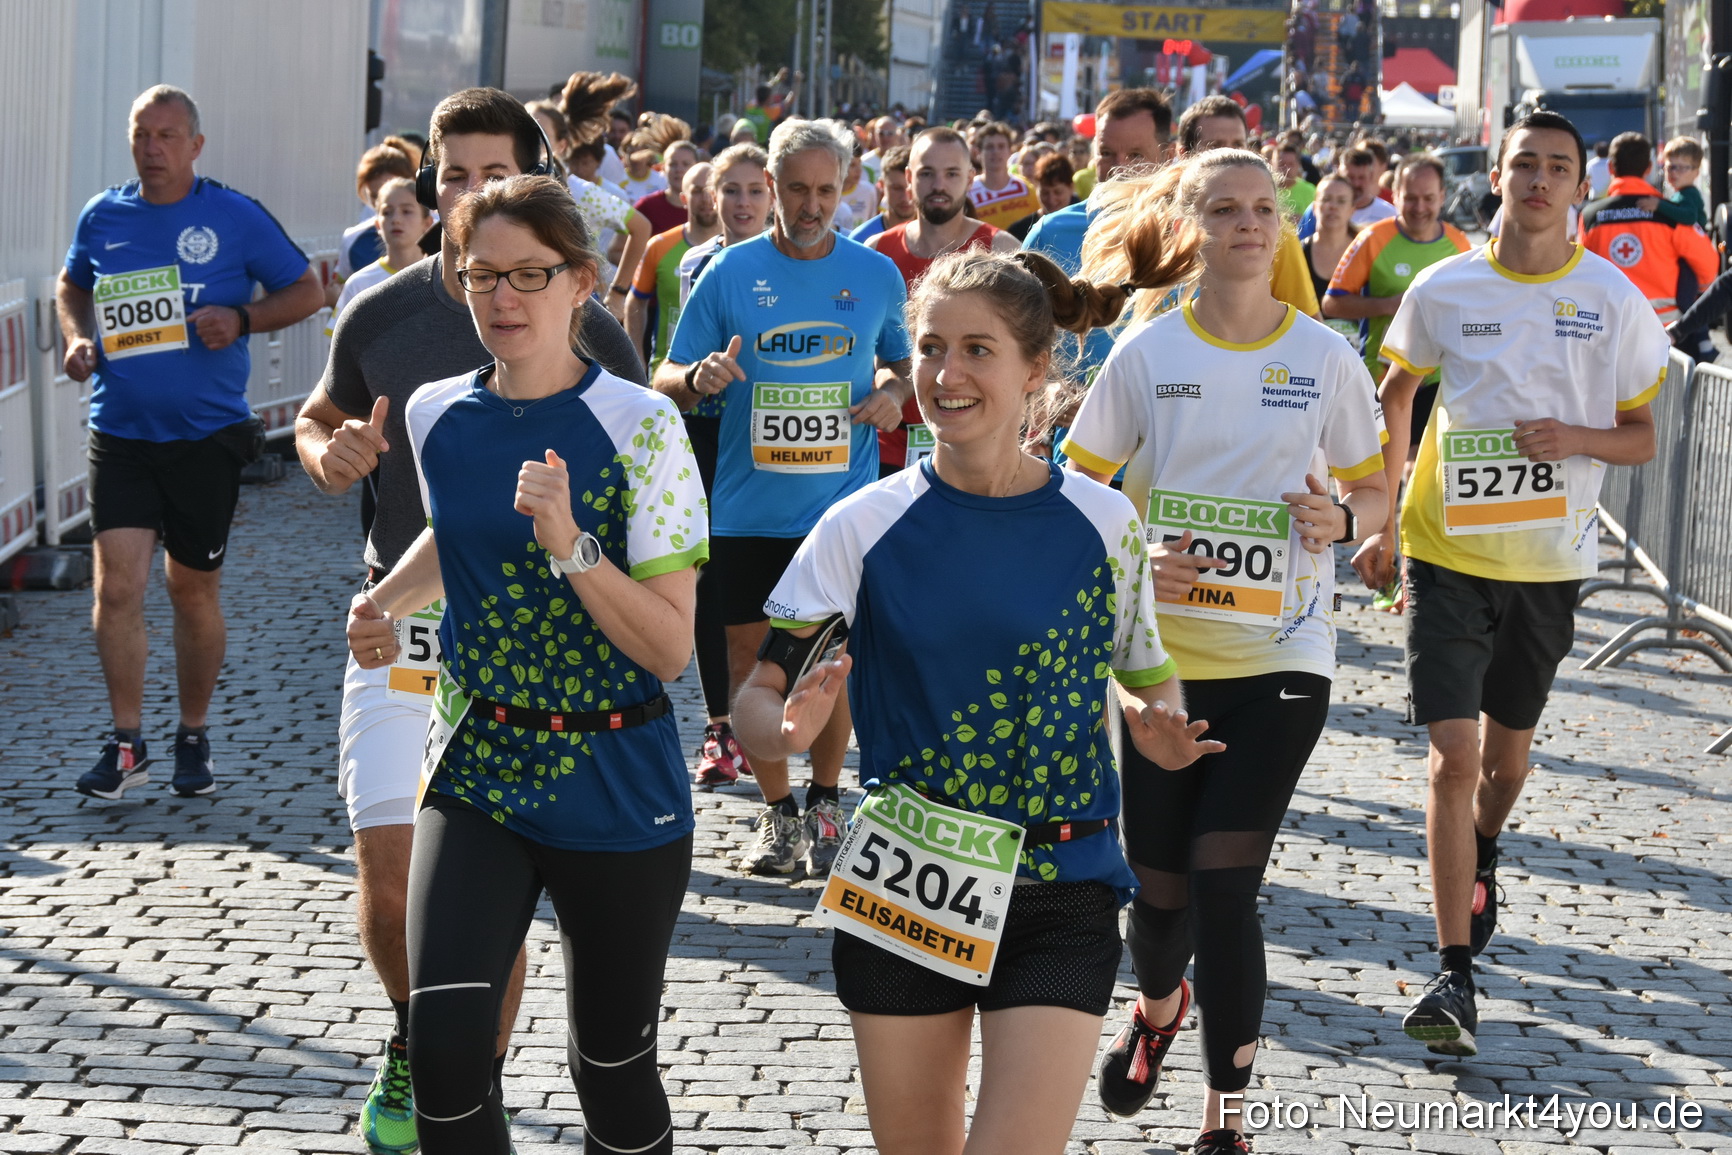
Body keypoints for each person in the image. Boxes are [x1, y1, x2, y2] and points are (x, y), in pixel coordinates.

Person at [733, 248, 1222, 1155]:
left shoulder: (1104, 522)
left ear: (1036, 368)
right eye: (929, 348)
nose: (946, 374)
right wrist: (787, 731)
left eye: (977, 350)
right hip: (910, 879)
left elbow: (1143, 670)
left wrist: (1155, 728)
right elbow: (758, 694)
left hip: (1063, 878)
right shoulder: (861, 525)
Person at [294, 86, 648, 1155]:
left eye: (494, 174)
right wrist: (330, 456)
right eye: (452, 176)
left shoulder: (590, 333)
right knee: (387, 865)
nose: (470, 194)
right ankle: (420, 1037)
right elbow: (318, 415)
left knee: (481, 885)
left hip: (528, 643)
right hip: (400, 619)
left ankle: (467, 1082)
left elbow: (634, 490)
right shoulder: (383, 308)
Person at [347, 173, 703, 1155]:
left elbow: (670, 648)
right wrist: (384, 603)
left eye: (529, 274)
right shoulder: (434, 412)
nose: (502, 298)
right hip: (480, 767)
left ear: (581, 280)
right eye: (481, 275)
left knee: (611, 1070)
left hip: (615, 777)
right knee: (445, 1060)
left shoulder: (642, 424)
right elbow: (457, 536)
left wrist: (574, 547)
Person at [1058, 148, 1388, 1153]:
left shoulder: (1324, 357)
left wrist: (1344, 518)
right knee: (1158, 900)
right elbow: (1078, 489)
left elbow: (1374, 490)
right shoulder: (1147, 354)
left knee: (1223, 883)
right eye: (1226, 210)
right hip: (1160, 665)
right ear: (1189, 227)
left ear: (1283, 226)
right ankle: (1159, 1008)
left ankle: (1224, 1123)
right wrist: (1134, 553)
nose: (1249, 224)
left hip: (1284, 658)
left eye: (1264, 209)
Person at [1367, 111, 1668, 1057]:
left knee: (1505, 767)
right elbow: (1398, 391)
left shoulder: (1612, 297)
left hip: (1548, 564)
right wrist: (1381, 511)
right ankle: (1453, 972)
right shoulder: (1445, 285)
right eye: (1524, 164)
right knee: (1453, 757)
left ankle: (1485, 845)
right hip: (1446, 550)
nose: (1540, 179)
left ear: (1582, 186)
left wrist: (1575, 438)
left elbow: (1642, 435)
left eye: (1558, 167)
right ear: (1496, 176)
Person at [651, 118, 914, 877]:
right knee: (748, 660)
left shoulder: (875, 275)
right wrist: (696, 377)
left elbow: (902, 366)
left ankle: (827, 804)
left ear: (847, 187)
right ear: (770, 186)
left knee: (833, 664)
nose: (812, 206)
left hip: (840, 511)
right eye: (797, 189)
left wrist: (892, 393)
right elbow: (664, 377)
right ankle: (778, 813)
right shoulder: (729, 272)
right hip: (747, 510)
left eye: (826, 190)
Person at [61, 84, 322, 801]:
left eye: (167, 136)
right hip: (120, 430)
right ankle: (126, 742)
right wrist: (78, 337)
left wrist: (242, 318)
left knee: (191, 588)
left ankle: (194, 733)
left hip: (206, 437)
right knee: (118, 586)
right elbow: (71, 285)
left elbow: (306, 290)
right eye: (141, 135)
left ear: (196, 145)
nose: (152, 149)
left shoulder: (233, 215)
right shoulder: (103, 214)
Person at [869, 127, 1021, 476]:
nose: (939, 185)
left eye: (952, 174)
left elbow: (1020, 351)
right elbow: (866, 350)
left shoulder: (1001, 250)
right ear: (909, 178)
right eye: (927, 173)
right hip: (888, 442)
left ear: (970, 178)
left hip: (974, 445)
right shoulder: (877, 252)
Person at [1323, 154, 1471, 440]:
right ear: (1396, 195)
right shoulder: (1372, 238)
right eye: (1411, 198)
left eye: (1428, 198)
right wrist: (1392, 305)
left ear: (1442, 196)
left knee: (1423, 460)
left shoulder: (1459, 244)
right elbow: (1332, 303)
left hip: (1438, 378)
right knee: (1385, 460)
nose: (1419, 207)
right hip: (1381, 376)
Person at [1171, 97, 1321, 320]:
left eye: (1238, 145)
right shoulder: (1150, 228)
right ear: (1184, 154)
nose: (1230, 156)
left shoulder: (1273, 232)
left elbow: (1308, 325)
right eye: (1215, 147)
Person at [1579, 132, 1717, 325]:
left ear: (1610, 167)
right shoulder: (1670, 213)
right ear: (1649, 168)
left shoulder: (1590, 216)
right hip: (1665, 325)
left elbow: (1581, 269)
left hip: (1610, 324)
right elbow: (1708, 265)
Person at [628, 162, 721, 374]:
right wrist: (636, 358)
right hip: (667, 372)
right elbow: (636, 301)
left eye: (711, 191)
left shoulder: (738, 249)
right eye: (697, 191)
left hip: (721, 372)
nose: (706, 199)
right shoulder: (659, 246)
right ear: (683, 199)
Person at [326, 176, 433, 336]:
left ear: (427, 223)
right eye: (387, 212)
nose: (396, 220)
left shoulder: (442, 278)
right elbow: (339, 343)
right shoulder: (358, 283)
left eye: (406, 211)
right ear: (377, 225)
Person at [332, 140, 420, 306]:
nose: (384, 201)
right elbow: (339, 289)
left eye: (393, 190)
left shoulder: (441, 231)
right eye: (375, 196)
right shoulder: (353, 239)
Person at [1303, 172, 1360, 348]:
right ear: (1314, 207)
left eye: (1341, 201)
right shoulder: (1299, 252)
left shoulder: (1365, 251)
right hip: (1311, 348)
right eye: (1326, 199)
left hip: (1361, 354)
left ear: (1352, 210)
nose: (1333, 206)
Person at [1297, 145, 1395, 239]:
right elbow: (1302, 245)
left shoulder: (1389, 214)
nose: (1356, 183)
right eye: (1350, 177)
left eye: (1361, 178)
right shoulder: (1320, 209)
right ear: (1339, 175)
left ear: (1371, 176)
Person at [967, 121, 1042, 230]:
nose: (996, 151)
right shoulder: (968, 194)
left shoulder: (1026, 190)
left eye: (1001, 146)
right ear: (978, 152)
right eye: (989, 147)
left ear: (1010, 151)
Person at [849, 145, 917, 243]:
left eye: (912, 187)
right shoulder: (860, 239)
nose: (905, 197)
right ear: (881, 185)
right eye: (897, 188)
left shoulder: (936, 236)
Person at [1007, 153, 1079, 242]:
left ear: (1071, 188)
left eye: (1058, 192)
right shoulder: (1018, 231)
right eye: (1045, 193)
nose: (1051, 199)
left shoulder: (1085, 225)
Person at [634, 139, 699, 235]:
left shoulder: (707, 207)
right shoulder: (647, 207)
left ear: (697, 167)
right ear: (663, 168)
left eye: (685, 164)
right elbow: (621, 242)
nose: (679, 169)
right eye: (673, 164)